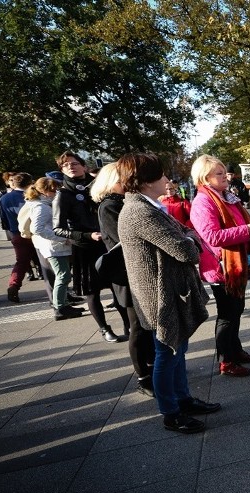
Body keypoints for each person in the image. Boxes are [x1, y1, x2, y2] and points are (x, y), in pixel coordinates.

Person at [116, 152, 219, 434]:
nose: (167, 180)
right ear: (147, 181)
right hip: (158, 295)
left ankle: (182, 399)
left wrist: (188, 237)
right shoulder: (140, 212)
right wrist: (189, 240)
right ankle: (171, 412)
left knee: (178, 347)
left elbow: (185, 231)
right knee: (167, 351)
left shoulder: (149, 206)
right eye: (161, 175)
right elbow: (185, 249)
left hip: (169, 290)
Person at [190, 154, 250, 377]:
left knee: (236, 310)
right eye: (219, 174)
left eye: (225, 172)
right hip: (220, 268)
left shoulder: (227, 197)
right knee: (227, 315)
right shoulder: (203, 201)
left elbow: (242, 227)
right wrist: (248, 230)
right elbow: (213, 237)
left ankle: (236, 350)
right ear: (204, 178)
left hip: (236, 264)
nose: (225, 177)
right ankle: (226, 361)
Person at [92, 164, 156, 397]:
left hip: (136, 272)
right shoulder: (110, 206)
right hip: (127, 276)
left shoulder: (123, 203)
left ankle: (152, 367)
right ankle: (143, 377)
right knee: (137, 328)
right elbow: (125, 240)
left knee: (146, 326)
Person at [52, 152, 128, 343]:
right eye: (66, 165)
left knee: (118, 286)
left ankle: (129, 324)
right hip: (84, 248)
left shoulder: (97, 186)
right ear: (62, 170)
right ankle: (104, 329)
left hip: (107, 243)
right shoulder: (63, 194)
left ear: (84, 166)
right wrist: (87, 235)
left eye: (75, 163)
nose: (71, 167)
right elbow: (58, 229)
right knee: (92, 292)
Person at [24, 177, 82, 320]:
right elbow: (37, 229)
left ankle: (62, 304)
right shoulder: (41, 207)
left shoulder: (40, 204)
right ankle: (60, 307)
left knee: (63, 275)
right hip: (54, 247)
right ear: (44, 191)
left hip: (53, 246)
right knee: (63, 275)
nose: (56, 192)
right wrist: (62, 238)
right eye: (53, 190)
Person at [0, 173, 38, 302]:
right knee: (46, 263)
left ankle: (14, 285)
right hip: (33, 233)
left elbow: (3, 218)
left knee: (21, 262)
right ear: (30, 182)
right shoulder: (30, 196)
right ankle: (61, 292)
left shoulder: (4, 198)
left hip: (16, 233)